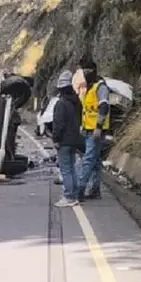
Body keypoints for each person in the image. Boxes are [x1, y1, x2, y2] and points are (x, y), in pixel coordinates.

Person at [77, 58, 110, 201]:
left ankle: (79, 189)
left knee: (88, 160)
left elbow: (104, 106)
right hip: (88, 130)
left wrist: (98, 127)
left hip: (96, 131)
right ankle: (95, 190)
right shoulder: (89, 87)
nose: (84, 73)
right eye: (83, 70)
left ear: (93, 70)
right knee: (95, 161)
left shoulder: (100, 87)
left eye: (87, 70)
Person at [51, 70, 83, 207]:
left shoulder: (61, 103)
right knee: (72, 168)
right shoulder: (77, 102)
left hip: (64, 141)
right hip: (75, 139)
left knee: (66, 169)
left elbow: (58, 124)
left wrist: (56, 139)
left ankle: (69, 196)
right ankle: (74, 194)